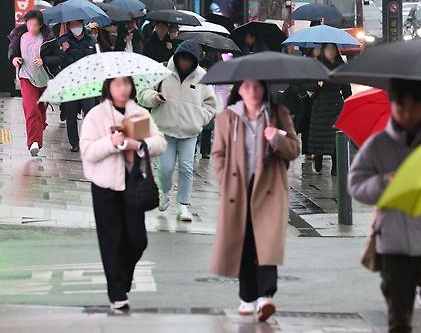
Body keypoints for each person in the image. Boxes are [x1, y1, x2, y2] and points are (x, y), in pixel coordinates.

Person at [348, 78, 421, 333]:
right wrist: (385, 183)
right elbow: (356, 185)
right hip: (395, 240)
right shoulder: (378, 145)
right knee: (399, 316)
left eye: (414, 106)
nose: (407, 114)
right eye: (401, 106)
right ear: (392, 105)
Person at [209, 80, 300, 322]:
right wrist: (224, 180)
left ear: (264, 89)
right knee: (245, 241)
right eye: (247, 86)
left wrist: (276, 139)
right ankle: (247, 297)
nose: (252, 91)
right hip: (238, 190)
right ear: (239, 89)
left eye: (257, 86)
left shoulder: (278, 114)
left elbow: (294, 149)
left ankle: (266, 296)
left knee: (266, 242)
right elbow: (217, 154)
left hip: (269, 188)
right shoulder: (227, 117)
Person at [79, 76, 166, 311]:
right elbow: (87, 151)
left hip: (133, 183)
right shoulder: (96, 115)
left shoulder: (138, 113)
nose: (122, 88)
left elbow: (160, 143)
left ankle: (123, 279)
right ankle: (117, 292)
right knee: (111, 241)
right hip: (104, 186)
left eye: (126, 83)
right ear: (108, 87)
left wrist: (137, 144)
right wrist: (111, 141)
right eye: (117, 84)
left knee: (138, 240)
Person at [138, 40, 217, 222]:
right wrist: (154, 98)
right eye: (182, 59)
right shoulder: (161, 70)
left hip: (189, 132)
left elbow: (211, 105)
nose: (185, 63)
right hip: (164, 129)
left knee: (186, 167)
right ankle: (165, 192)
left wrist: (199, 119)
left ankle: (183, 206)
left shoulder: (202, 76)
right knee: (165, 169)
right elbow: (142, 93)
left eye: (189, 60)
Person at [8, 10, 63, 157]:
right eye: (29, 24)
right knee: (31, 110)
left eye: (35, 25)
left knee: (40, 115)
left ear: (40, 25)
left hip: (44, 80)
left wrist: (44, 61)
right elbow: (12, 51)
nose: (31, 27)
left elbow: (58, 57)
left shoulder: (49, 39)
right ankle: (34, 143)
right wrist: (14, 59)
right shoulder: (19, 36)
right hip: (27, 78)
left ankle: (40, 125)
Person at [307, 43, 352, 175]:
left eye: (333, 49)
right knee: (319, 136)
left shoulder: (341, 67)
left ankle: (335, 166)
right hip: (320, 105)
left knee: (335, 137)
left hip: (336, 106)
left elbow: (346, 88)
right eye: (328, 49)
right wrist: (318, 83)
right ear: (323, 51)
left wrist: (349, 103)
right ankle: (318, 158)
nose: (330, 52)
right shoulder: (318, 66)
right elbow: (309, 86)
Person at [59, 20, 98, 152]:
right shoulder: (64, 41)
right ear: (69, 26)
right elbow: (58, 63)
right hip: (70, 84)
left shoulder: (92, 41)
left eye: (78, 24)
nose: (76, 27)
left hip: (88, 84)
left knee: (89, 114)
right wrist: (63, 52)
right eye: (72, 25)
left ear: (82, 25)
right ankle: (75, 143)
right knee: (71, 115)